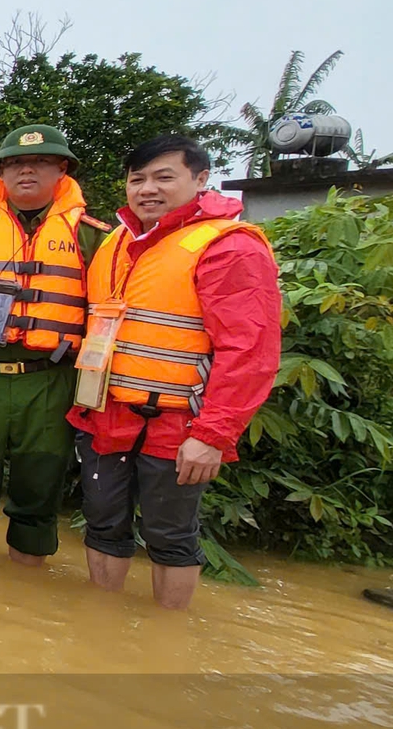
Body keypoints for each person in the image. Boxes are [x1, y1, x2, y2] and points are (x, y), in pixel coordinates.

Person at [69, 135, 279, 609]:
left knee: (170, 534)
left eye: (164, 177)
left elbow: (250, 351)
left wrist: (213, 434)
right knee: (103, 522)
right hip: (106, 413)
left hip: (179, 423)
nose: (147, 189)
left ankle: (168, 641)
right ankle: (98, 627)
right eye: (137, 178)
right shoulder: (116, 242)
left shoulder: (229, 246)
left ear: (200, 180)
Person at [0, 125, 114, 566]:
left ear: (61, 169)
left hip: (51, 380)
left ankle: (26, 584)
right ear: (1, 172)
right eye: (14, 163)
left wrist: (94, 395)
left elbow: (106, 321)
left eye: (40, 162)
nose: (26, 169)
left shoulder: (91, 236)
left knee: (39, 490)